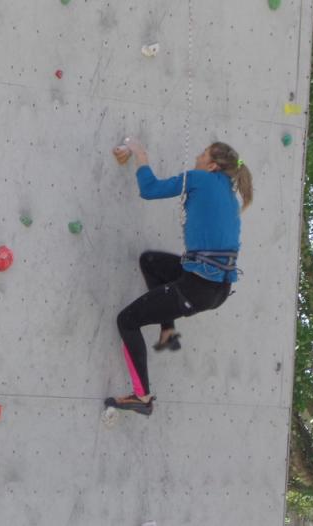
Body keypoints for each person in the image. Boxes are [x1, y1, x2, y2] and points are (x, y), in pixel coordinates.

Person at [106, 139, 253, 416]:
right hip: (216, 286)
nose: (196, 157)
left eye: (202, 154)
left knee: (126, 321)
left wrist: (141, 155)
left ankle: (142, 397)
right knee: (151, 262)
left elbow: (149, 190)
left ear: (211, 166)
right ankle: (167, 330)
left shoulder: (198, 178)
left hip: (198, 287)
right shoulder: (230, 196)